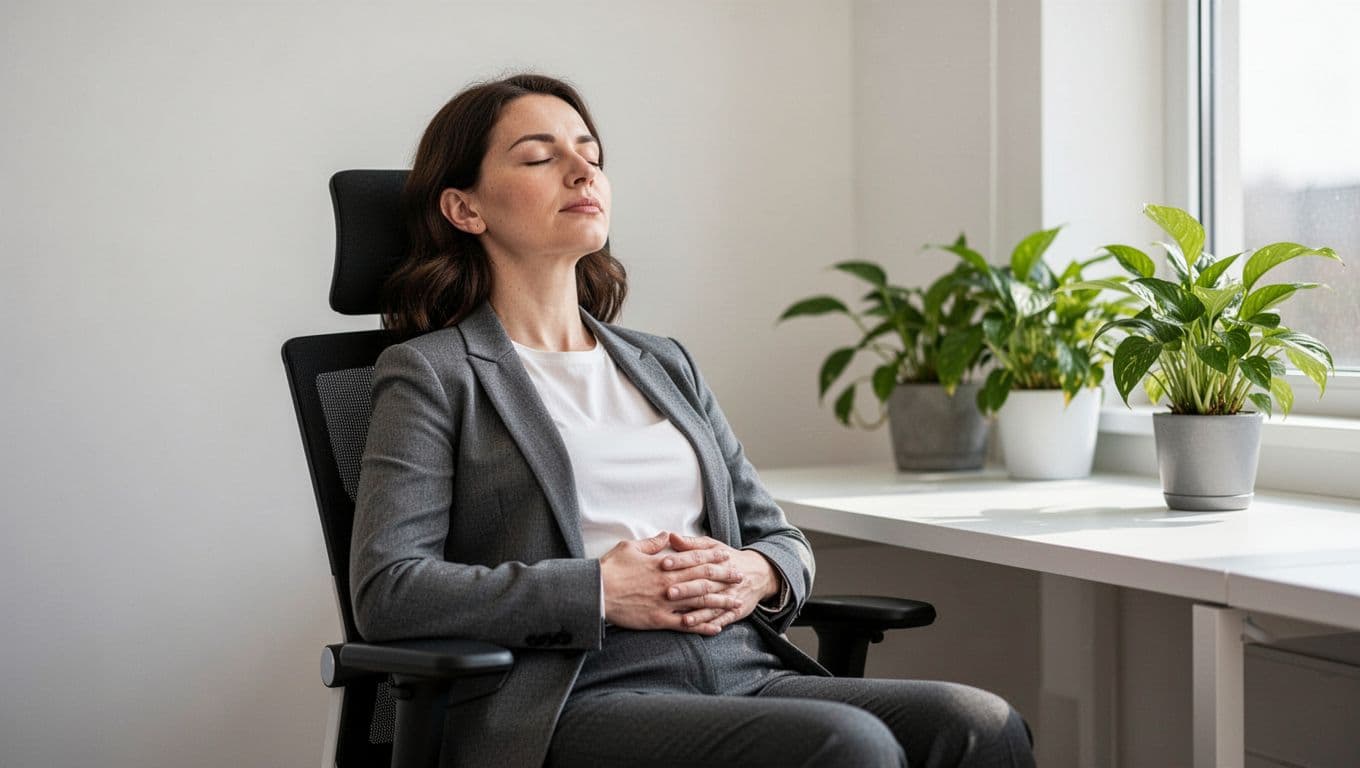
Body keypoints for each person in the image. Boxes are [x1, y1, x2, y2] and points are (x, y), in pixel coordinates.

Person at [350, 73, 1035, 768]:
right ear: (466, 209)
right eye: (539, 157)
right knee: (845, 747)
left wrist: (757, 572)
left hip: (742, 668)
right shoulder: (434, 373)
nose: (582, 169)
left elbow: (778, 535)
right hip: (576, 694)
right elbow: (390, 590)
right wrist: (597, 590)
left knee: (979, 725)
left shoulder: (663, 363)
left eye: (591, 153)